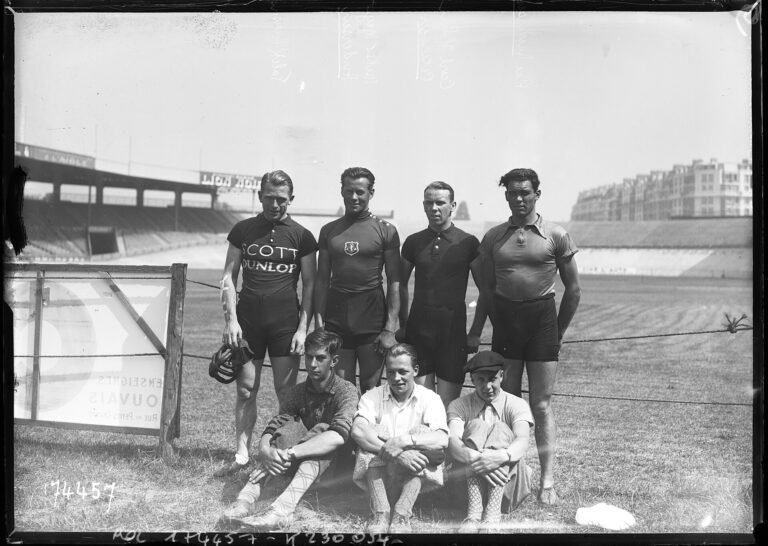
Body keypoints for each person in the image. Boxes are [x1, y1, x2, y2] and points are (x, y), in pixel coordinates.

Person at [471, 168, 581, 505]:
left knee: (541, 405)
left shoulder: (556, 235)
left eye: (526, 193)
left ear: (537, 194)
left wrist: (558, 332)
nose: (519, 199)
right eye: (513, 193)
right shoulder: (493, 237)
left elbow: (573, 290)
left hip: (541, 321)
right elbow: (486, 289)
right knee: (505, 402)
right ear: (506, 195)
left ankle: (547, 482)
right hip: (506, 321)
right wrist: (479, 327)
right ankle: (507, 478)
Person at [217, 170, 318, 477]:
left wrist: (303, 329)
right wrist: (231, 321)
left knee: (286, 393)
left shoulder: (302, 236)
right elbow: (227, 279)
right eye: (270, 198)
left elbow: (310, 286)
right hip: (247, 324)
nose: (276, 204)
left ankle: (281, 450)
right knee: (246, 390)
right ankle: (242, 454)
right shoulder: (242, 230)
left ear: (291, 199)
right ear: (260, 196)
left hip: (285, 325)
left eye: (282, 199)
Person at [223, 329, 359, 529]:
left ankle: (282, 509)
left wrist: (289, 454)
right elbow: (277, 425)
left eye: (320, 358)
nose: (313, 364)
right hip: (297, 465)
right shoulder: (297, 391)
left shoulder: (345, 390)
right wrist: (264, 450)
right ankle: (244, 500)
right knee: (291, 428)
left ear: (334, 360)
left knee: (323, 429)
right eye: (309, 357)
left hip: (336, 468)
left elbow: (338, 436)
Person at [314, 167, 401, 392]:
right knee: (343, 388)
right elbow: (322, 280)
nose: (354, 197)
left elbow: (394, 281)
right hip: (337, 317)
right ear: (341, 191)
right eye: (349, 191)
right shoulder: (328, 231)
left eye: (360, 192)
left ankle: (370, 429)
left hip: (371, 317)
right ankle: (343, 428)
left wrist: (390, 328)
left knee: (371, 387)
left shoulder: (386, 231)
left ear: (371, 193)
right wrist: (319, 323)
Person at [398, 181, 482, 407]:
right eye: (429, 202)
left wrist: (475, 332)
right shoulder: (413, 242)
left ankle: (445, 443)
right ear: (423, 205)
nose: (434, 208)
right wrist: (402, 323)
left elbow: (487, 290)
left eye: (440, 203)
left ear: (452, 205)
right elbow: (399, 284)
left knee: (448, 403)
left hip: (452, 332)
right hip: (419, 330)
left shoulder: (468, 242)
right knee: (420, 402)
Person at [350, 343, 449, 534]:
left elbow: (442, 439)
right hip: (379, 476)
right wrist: (397, 454)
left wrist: (404, 443)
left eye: (403, 371)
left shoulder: (430, 398)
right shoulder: (372, 396)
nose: (397, 378)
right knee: (372, 430)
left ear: (416, 370)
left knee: (422, 432)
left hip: (414, 477)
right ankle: (381, 511)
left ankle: (402, 513)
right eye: (391, 372)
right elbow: (358, 431)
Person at [447, 351, 534, 532]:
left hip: (507, 488)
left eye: (492, 379)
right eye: (480, 380)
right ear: (472, 379)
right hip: (466, 488)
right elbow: (453, 440)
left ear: (502, 376)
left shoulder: (516, 404)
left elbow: (522, 440)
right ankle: (474, 514)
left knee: (501, 429)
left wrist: (501, 456)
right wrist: (478, 459)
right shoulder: (459, 405)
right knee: (477, 425)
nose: (487, 386)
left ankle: (492, 515)